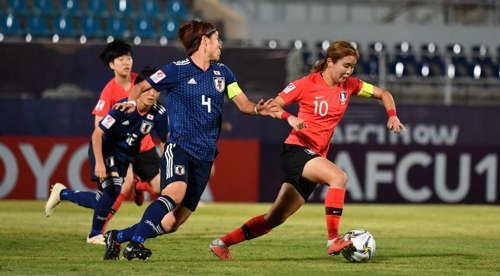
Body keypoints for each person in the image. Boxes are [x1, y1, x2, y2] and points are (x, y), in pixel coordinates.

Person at [209, 40, 406, 260]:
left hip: (314, 156)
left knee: (274, 218)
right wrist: (289, 117)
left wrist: (392, 115)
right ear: (330, 62)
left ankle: (221, 243)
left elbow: (384, 94)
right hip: (296, 150)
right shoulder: (306, 83)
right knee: (338, 177)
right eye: (346, 65)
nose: (349, 71)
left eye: (352, 67)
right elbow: (274, 105)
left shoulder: (350, 85)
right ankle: (333, 240)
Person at [102, 19, 274, 261]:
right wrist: (131, 102)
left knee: (173, 223)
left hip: (205, 155)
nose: (220, 46)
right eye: (217, 40)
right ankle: (136, 245)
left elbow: (243, 103)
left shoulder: (224, 73)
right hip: (180, 146)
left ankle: (117, 237)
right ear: (205, 41)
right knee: (174, 193)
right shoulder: (176, 69)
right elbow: (142, 85)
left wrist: (259, 110)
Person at [44, 66, 163, 244]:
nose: (152, 93)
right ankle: (94, 235)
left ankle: (63, 193)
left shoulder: (158, 112)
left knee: (103, 199)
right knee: (114, 188)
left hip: (125, 155)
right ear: (138, 88)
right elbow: (97, 134)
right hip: (106, 149)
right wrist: (99, 162)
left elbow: (166, 138)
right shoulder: (122, 107)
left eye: (157, 89)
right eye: (148, 88)